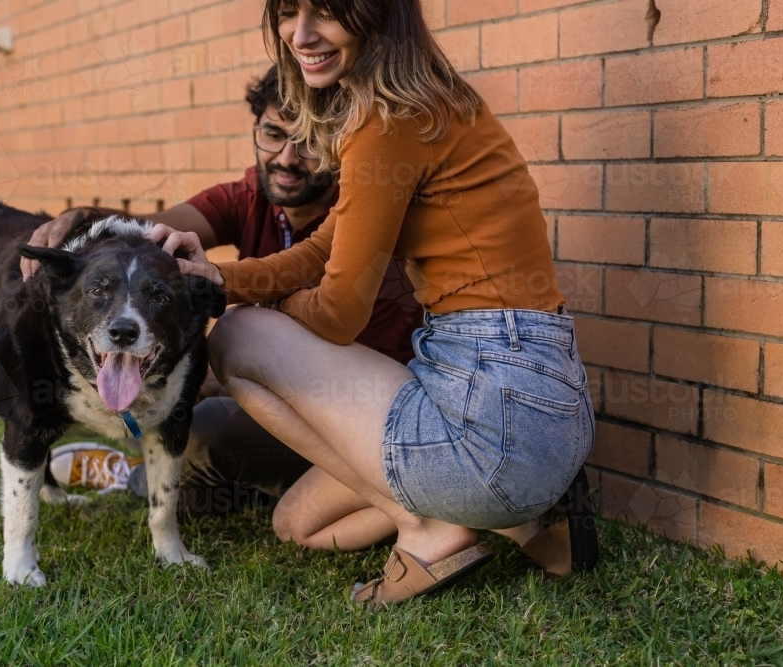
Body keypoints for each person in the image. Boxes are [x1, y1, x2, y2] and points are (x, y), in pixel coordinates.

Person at [148, 0, 598, 606]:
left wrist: (255, 313)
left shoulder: (385, 120)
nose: (300, 35)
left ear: (376, 14)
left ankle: (440, 526)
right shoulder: (427, 103)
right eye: (287, 12)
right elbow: (321, 251)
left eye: (327, 11)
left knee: (235, 338)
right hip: (533, 403)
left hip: (492, 416)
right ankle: (513, 523)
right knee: (297, 523)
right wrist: (218, 280)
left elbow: (337, 313)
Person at [23, 65, 422, 520]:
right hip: (275, 390)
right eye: (273, 133)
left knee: (197, 435)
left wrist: (219, 367)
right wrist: (88, 217)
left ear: (341, 147)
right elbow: (159, 230)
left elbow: (346, 344)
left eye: (310, 143)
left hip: (358, 409)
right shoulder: (249, 196)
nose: (288, 158)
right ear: (256, 128)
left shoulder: (362, 212)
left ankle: (125, 474)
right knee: (162, 400)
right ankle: (231, 474)